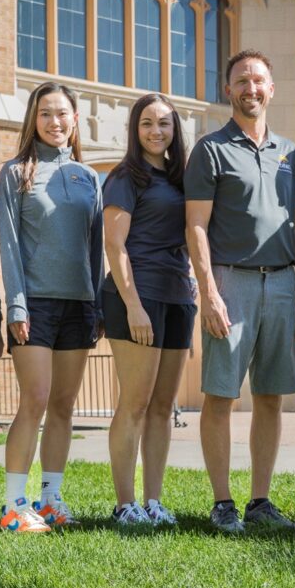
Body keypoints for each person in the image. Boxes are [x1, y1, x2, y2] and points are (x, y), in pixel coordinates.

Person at [185, 49, 295, 533]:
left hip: (281, 283)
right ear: (228, 90)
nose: (250, 88)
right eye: (241, 80)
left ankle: (260, 501)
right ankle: (223, 503)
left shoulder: (290, 154)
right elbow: (196, 225)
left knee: (271, 396)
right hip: (230, 280)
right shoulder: (211, 150)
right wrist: (209, 292)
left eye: (258, 80)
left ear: (271, 89)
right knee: (220, 394)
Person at [0, 81, 104, 533]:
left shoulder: (88, 176)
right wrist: (17, 306)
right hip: (34, 305)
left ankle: (51, 499)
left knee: (63, 405)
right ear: (33, 119)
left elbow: (96, 247)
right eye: (45, 114)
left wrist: (98, 305)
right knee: (35, 400)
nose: (54, 122)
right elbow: (8, 245)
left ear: (75, 120)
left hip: (79, 305)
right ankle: (13, 505)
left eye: (62, 114)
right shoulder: (16, 172)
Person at [102, 93, 196, 527]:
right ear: (134, 130)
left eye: (164, 123)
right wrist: (134, 305)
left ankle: (153, 501)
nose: (156, 131)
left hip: (178, 297)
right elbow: (114, 244)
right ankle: (125, 505)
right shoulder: (126, 177)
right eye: (146, 123)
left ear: (175, 129)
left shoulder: (182, 179)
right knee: (135, 403)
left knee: (163, 406)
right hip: (138, 297)